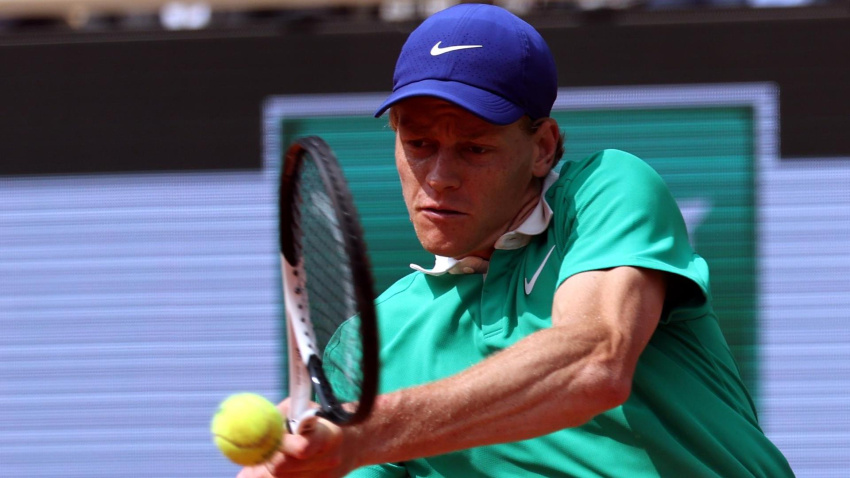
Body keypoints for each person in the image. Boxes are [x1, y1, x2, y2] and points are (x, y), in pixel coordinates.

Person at [240, 3, 795, 477]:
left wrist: (364, 432)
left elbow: (592, 364)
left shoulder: (603, 191)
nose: (439, 176)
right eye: (419, 143)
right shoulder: (366, 351)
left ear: (543, 148)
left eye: (475, 148)